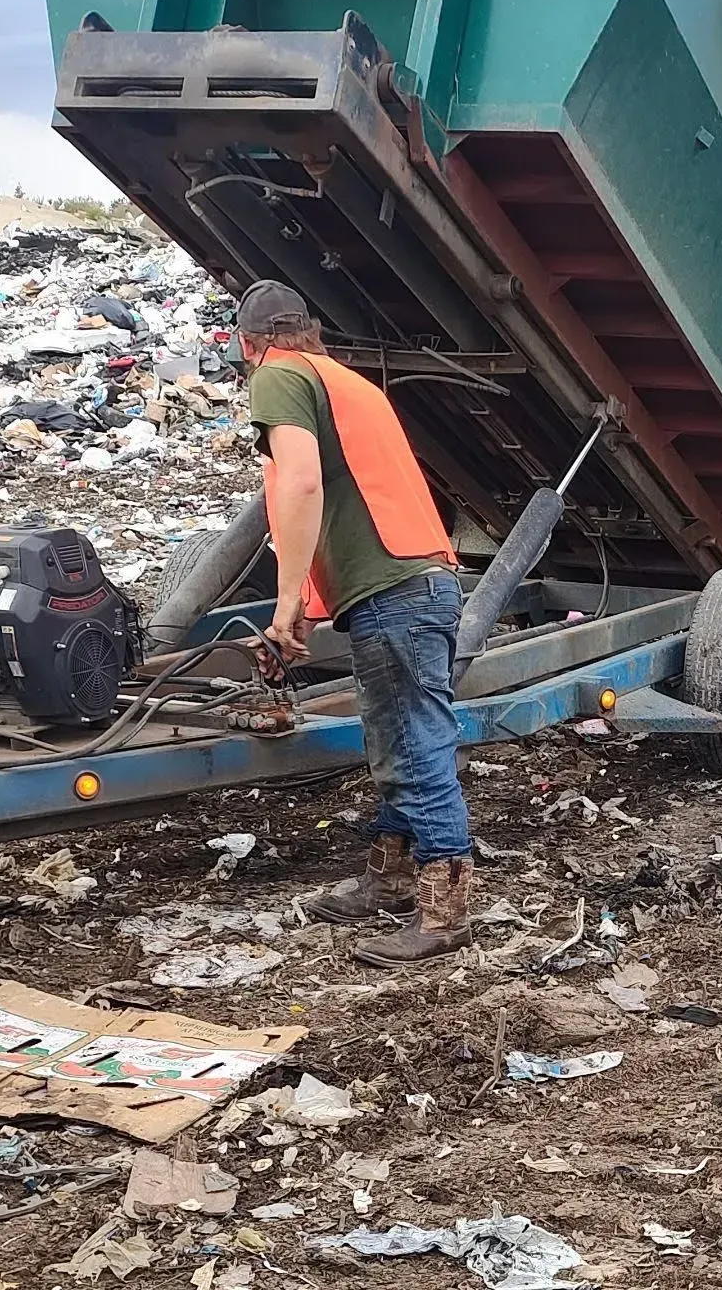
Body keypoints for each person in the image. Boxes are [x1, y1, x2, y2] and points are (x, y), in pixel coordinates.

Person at [236, 279, 474, 966]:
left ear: (249, 344)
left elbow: (302, 483)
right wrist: (314, 607)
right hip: (409, 581)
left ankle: (444, 911)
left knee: (416, 743)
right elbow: (350, 497)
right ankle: (392, 875)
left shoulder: (276, 376)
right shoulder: (347, 381)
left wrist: (283, 608)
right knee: (396, 737)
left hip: (395, 590)